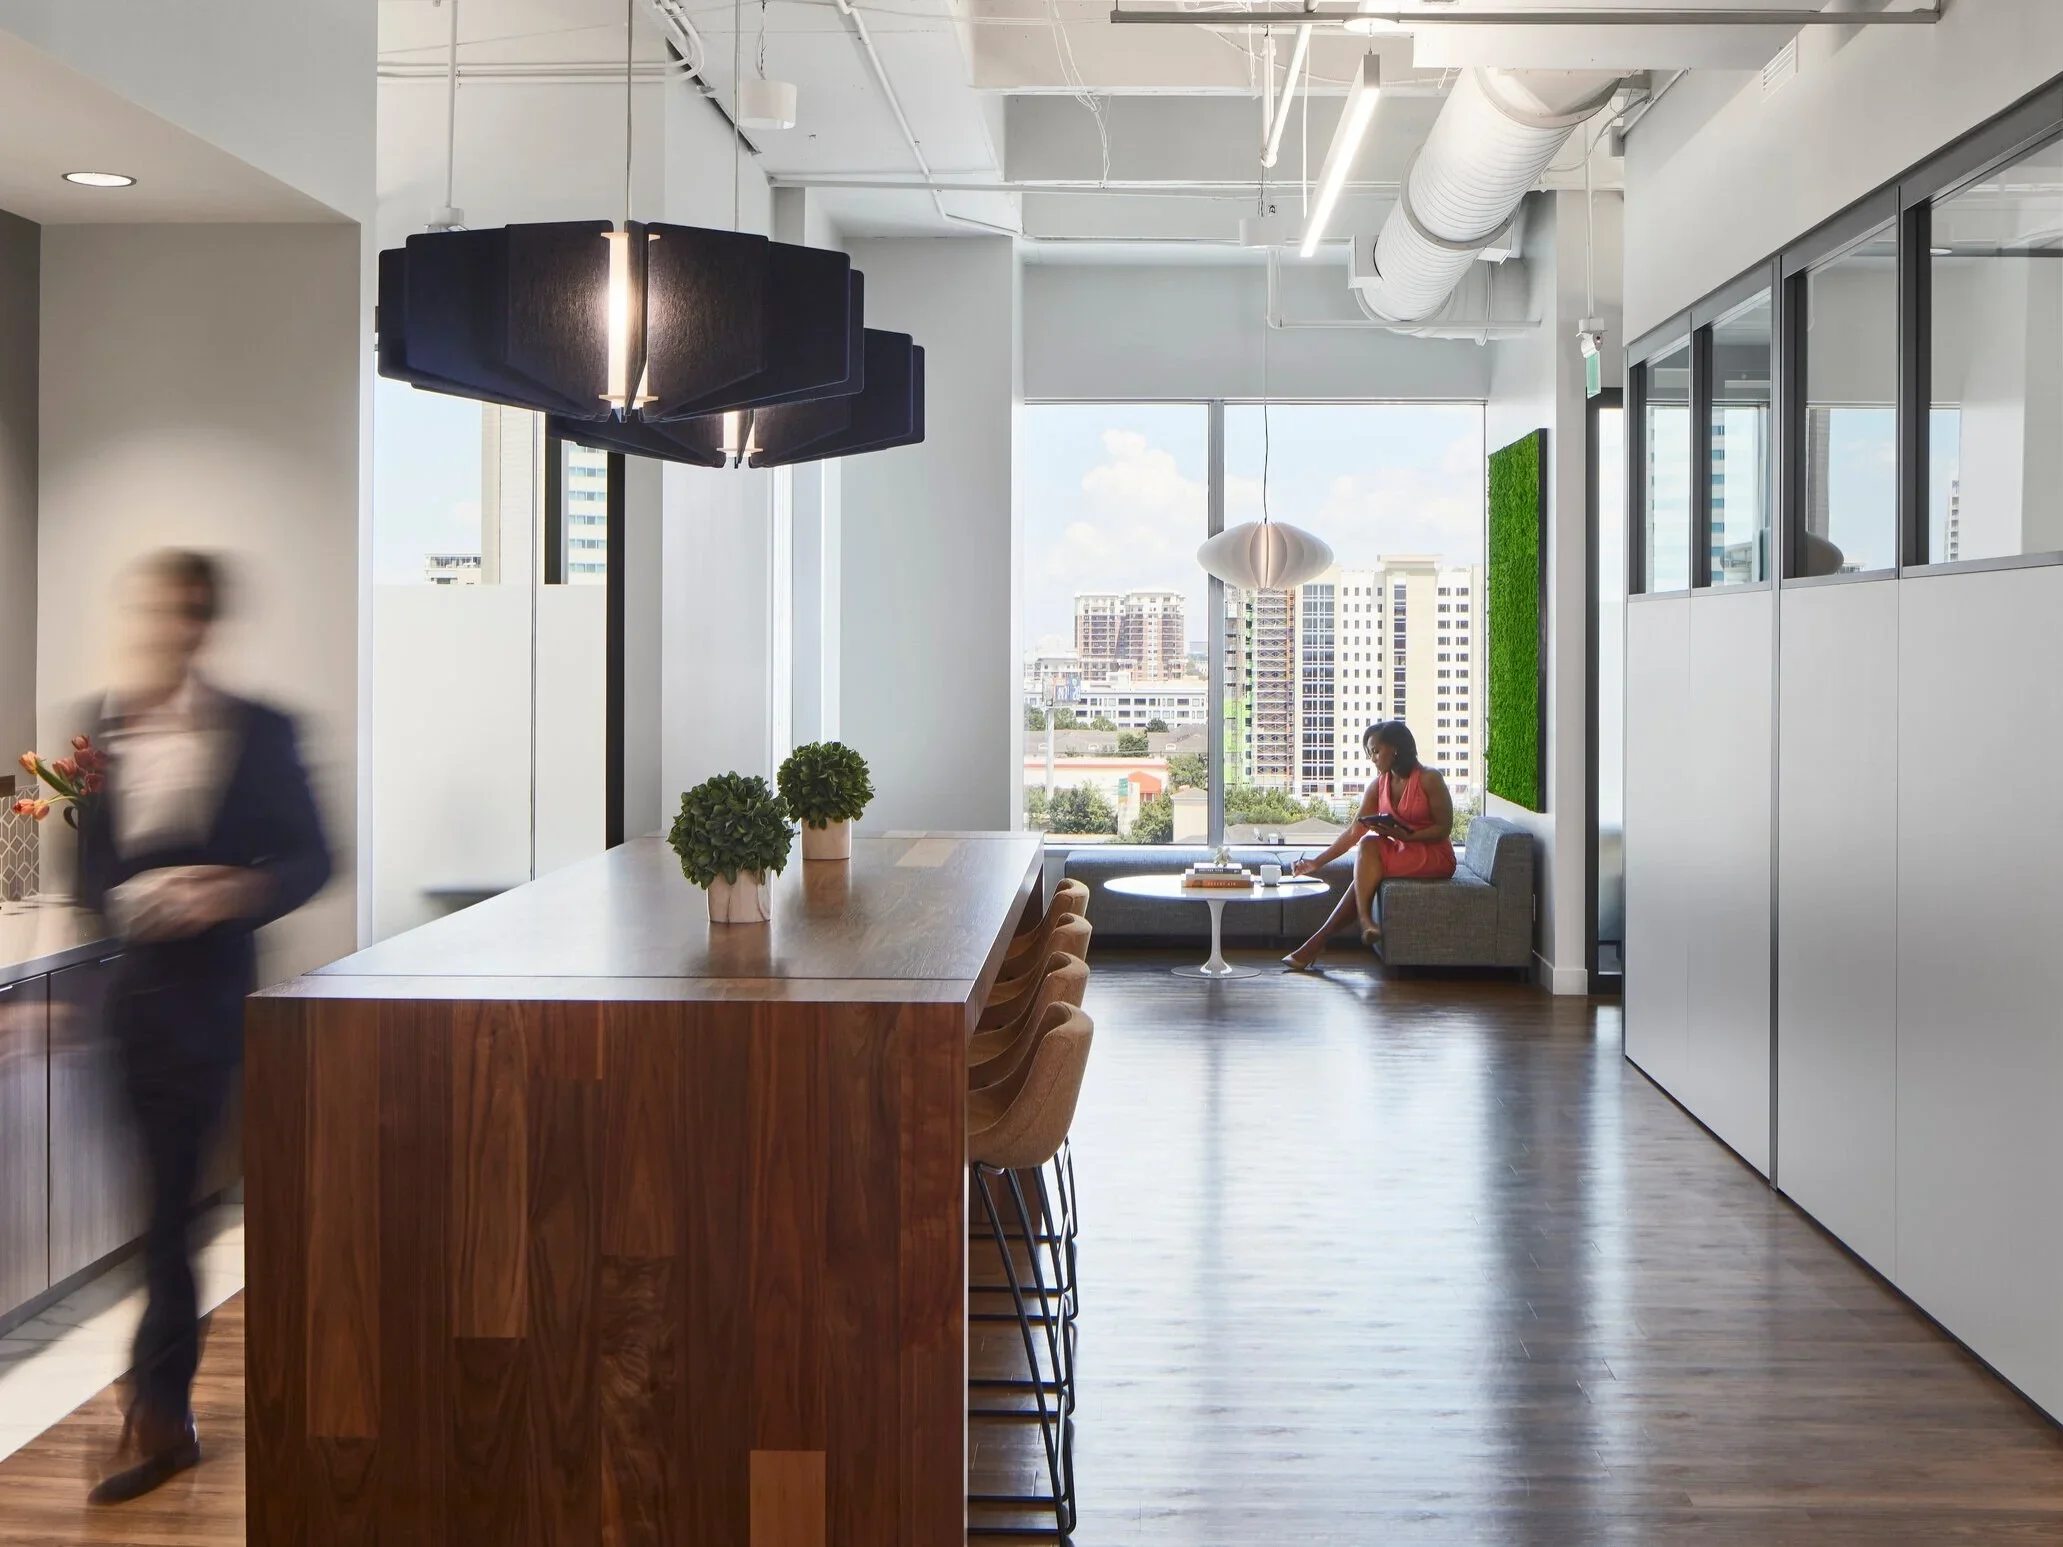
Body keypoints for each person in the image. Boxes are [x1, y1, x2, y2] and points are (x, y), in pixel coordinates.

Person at [78, 551, 331, 1505]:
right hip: (129, 1012)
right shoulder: (100, 725)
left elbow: (313, 858)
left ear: (205, 623)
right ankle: (155, 1372)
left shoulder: (260, 729)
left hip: (210, 1007)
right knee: (161, 1213)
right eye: (158, 608)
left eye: (188, 611)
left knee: (172, 1213)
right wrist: (127, 904)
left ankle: (161, 1409)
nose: (170, 625)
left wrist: (228, 891)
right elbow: (90, 878)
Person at [1282, 720, 1454, 971]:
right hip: (1405, 853)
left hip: (1435, 855)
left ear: (1395, 748)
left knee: (1365, 875)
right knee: (1368, 843)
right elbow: (1354, 832)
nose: (1372, 758)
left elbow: (1444, 827)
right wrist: (1316, 863)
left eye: (1375, 751)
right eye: (1369, 753)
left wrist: (1408, 838)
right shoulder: (1379, 784)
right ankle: (1358, 924)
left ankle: (1331, 936)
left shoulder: (1429, 778)